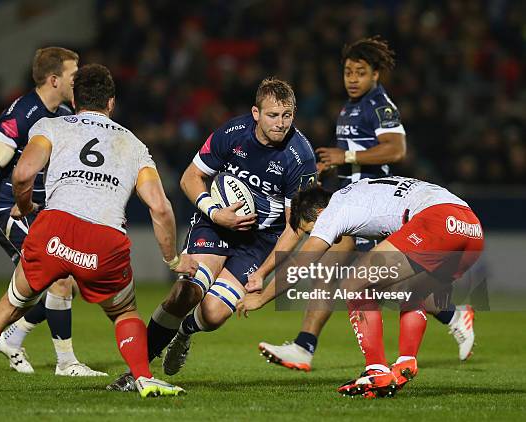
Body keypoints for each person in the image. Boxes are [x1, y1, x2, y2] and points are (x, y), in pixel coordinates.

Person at [0, 64, 197, 397]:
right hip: (104, 239)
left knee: (8, 306)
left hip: (53, 230)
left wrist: (24, 208)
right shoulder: (133, 144)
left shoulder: (50, 126)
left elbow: (22, 174)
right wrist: (172, 260)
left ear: (76, 100)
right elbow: (160, 207)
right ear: (111, 103)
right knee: (124, 312)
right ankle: (142, 377)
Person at [255, 37, 474, 372]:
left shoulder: (379, 105)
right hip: (352, 201)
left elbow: (397, 149)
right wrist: (336, 165)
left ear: (376, 75)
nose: (352, 78)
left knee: (383, 283)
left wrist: (348, 155)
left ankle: (450, 316)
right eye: (347, 72)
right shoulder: (349, 108)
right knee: (332, 273)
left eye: (360, 72)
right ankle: (305, 346)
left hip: (374, 206)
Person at [107, 77, 317, 391]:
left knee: (214, 314)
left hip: (260, 242)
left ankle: (184, 333)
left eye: (287, 115)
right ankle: (135, 373)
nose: (281, 123)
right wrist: (216, 212)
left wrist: (263, 273)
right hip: (216, 223)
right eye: (273, 115)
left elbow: (294, 227)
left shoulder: (300, 157)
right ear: (256, 113)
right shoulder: (232, 133)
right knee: (186, 291)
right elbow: (191, 177)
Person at [237, 177, 484, 398]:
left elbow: (302, 262)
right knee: (408, 292)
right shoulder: (360, 194)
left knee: (354, 284)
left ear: (320, 213)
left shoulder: (333, 210)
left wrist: (261, 298)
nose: (320, 237)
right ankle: (405, 363)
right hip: (471, 228)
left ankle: (375, 368)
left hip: (437, 220)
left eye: (309, 230)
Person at [0, 47, 106, 377]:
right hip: (9, 210)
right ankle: (66, 362)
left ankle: (12, 337)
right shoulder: (22, 113)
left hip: (40, 210)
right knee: (60, 277)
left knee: (63, 283)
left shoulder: (63, 112)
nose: (77, 81)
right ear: (53, 79)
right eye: (73, 76)